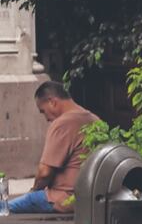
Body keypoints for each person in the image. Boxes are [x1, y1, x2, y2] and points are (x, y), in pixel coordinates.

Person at [8, 81, 99, 214]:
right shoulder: (95, 119)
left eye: (43, 111)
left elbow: (44, 173)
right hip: (90, 198)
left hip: (63, 199)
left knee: (4, 207)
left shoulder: (62, 123)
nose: (46, 118)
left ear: (52, 102)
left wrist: (34, 191)